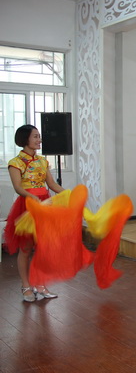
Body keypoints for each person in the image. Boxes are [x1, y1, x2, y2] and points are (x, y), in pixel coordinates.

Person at [5, 124, 64, 302]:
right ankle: (26, 286)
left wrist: (69, 193)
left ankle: (40, 284)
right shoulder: (15, 163)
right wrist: (33, 198)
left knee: (43, 248)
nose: (39, 140)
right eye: (35, 136)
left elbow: (51, 184)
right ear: (25, 139)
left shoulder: (42, 161)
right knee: (26, 248)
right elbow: (18, 187)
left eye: (39, 136)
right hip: (28, 206)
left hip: (44, 205)